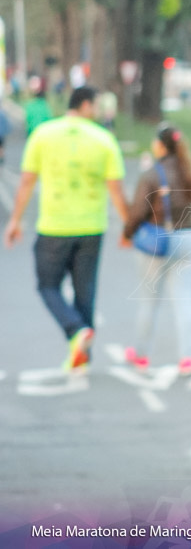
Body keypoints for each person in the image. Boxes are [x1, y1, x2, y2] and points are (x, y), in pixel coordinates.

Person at [3, 85, 129, 371]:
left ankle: (75, 331)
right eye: (94, 106)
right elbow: (116, 190)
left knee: (48, 285)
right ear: (84, 105)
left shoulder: (43, 135)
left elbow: (26, 182)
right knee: (85, 292)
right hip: (91, 227)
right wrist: (127, 226)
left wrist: (15, 220)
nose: (96, 112)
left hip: (53, 227)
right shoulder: (104, 139)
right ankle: (82, 353)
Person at [120, 123, 191, 377]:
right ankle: (187, 358)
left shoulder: (152, 175)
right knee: (184, 299)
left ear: (159, 145)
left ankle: (142, 354)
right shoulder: (187, 172)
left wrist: (126, 234)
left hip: (158, 241)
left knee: (149, 301)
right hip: (188, 239)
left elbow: (138, 212)